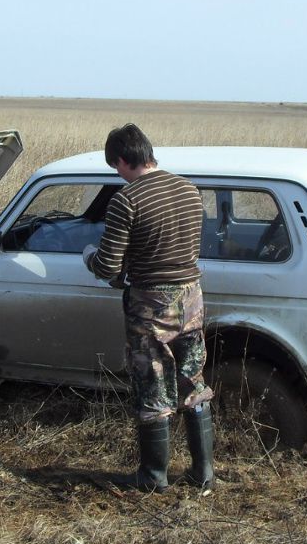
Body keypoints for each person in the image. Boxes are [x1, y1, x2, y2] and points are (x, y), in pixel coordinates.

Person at [83, 124, 215, 491]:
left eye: (116, 168)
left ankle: (154, 476)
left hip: (152, 305)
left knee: (153, 383)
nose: (118, 175)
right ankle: (204, 472)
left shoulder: (128, 200)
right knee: (193, 379)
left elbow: (108, 266)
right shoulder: (189, 190)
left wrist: (89, 256)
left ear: (125, 161)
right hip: (192, 298)